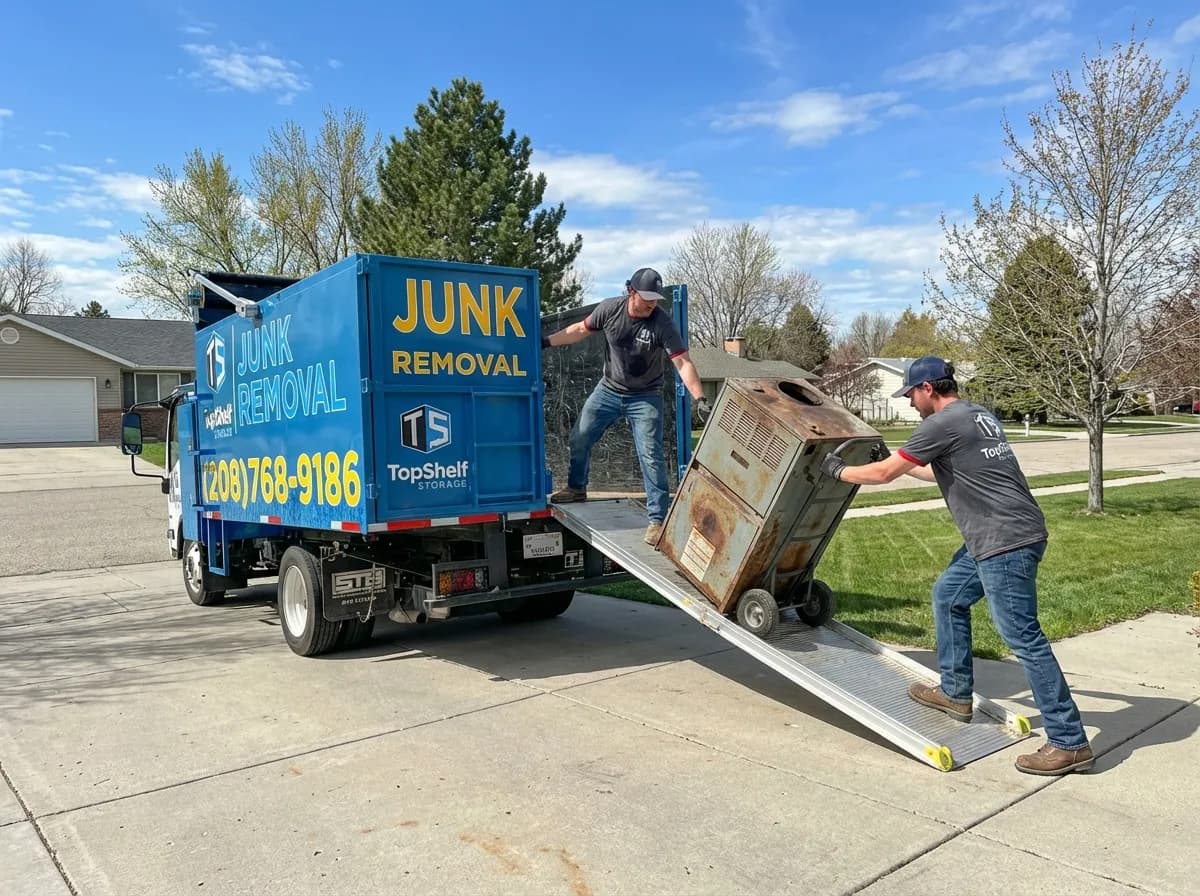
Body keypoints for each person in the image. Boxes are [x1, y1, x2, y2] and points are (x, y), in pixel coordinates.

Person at [820, 355, 1093, 776]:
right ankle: (955, 693)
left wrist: (840, 471)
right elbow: (943, 473)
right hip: (1007, 534)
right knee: (949, 596)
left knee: (1024, 638)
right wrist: (899, 463)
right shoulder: (977, 416)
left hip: (1002, 541)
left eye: (911, 394)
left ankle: (1069, 741)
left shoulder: (941, 423)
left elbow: (881, 476)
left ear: (928, 389)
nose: (910, 403)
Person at [542, 267, 710, 545]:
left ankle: (657, 520)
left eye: (655, 299)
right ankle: (576, 487)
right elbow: (578, 330)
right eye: (646, 298)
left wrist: (700, 398)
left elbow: (682, 361)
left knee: (651, 455)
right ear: (631, 291)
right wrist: (546, 342)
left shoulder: (662, 322)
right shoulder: (610, 309)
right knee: (580, 437)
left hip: (645, 396)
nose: (651, 304)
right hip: (609, 389)